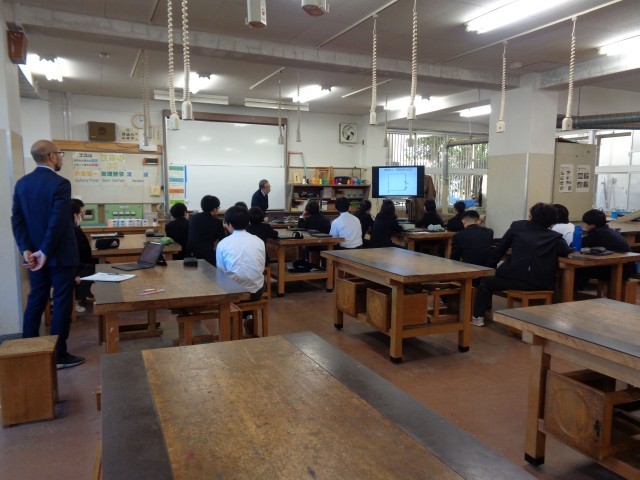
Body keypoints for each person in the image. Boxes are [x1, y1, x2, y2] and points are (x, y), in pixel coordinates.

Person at [11, 140, 84, 369]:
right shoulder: (60, 183)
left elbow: (17, 219)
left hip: (34, 257)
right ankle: (58, 355)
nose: (61, 158)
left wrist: (27, 250)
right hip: (60, 255)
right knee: (61, 302)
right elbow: (58, 221)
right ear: (52, 156)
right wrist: (45, 251)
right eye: (60, 154)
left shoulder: (22, 183)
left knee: (36, 298)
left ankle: (29, 351)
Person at [471, 203, 571, 327]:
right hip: (542, 283)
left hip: (514, 278)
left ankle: (478, 317)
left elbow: (500, 249)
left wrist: (487, 269)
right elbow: (566, 251)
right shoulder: (555, 237)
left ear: (531, 216)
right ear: (552, 223)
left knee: (486, 282)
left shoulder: (518, 226)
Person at [216, 206, 266, 335]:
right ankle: (248, 316)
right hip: (256, 291)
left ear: (229, 224)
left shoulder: (223, 243)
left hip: (232, 292)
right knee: (253, 281)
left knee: (229, 285)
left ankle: (232, 325)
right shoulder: (259, 241)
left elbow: (220, 273)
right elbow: (260, 267)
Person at [574, 209, 633, 291]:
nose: (582, 225)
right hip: (626, 268)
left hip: (617, 270)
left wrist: (584, 232)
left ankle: (572, 293)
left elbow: (576, 245)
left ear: (592, 225)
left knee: (579, 268)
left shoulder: (597, 234)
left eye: (584, 223)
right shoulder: (607, 231)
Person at [71, 198, 97, 311]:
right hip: (77, 265)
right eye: (81, 211)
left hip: (83, 260)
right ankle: (77, 297)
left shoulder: (76, 227)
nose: (84, 212)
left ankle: (85, 291)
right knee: (97, 268)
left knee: (105, 265)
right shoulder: (71, 230)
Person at [187, 195, 226, 266]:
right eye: (218, 208)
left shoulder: (193, 218)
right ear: (214, 209)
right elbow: (223, 240)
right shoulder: (217, 222)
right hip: (207, 256)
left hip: (191, 254)